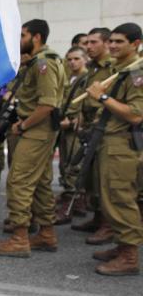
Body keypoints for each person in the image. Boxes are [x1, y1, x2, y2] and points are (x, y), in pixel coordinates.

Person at [0, 19, 65, 257]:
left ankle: (19, 238)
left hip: (36, 130)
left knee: (18, 181)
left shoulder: (44, 64)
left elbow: (47, 105)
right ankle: (47, 233)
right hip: (37, 130)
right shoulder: (36, 62)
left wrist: (22, 126)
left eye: (22, 36)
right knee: (40, 182)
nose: (18, 41)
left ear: (36, 37)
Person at [87, 23, 143, 276]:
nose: (112, 45)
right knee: (109, 198)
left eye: (119, 42)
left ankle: (129, 256)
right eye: (111, 41)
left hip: (122, 144)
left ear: (135, 44)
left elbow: (135, 115)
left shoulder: (136, 73)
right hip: (108, 141)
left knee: (120, 198)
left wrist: (102, 97)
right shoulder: (118, 70)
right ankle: (122, 246)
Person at [71, 27, 114, 243]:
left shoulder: (113, 68)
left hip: (103, 127)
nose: (88, 47)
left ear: (106, 43)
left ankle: (108, 225)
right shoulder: (93, 68)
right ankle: (97, 217)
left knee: (102, 178)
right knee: (89, 176)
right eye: (86, 43)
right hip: (88, 125)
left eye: (93, 42)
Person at [54, 46, 90, 224]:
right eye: (69, 59)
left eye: (76, 59)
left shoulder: (88, 78)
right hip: (65, 124)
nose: (72, 62)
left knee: (74, 165)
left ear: (85, 59)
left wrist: (76, 120)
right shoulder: (69, 77)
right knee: (65, 163)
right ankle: (73, 199)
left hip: (76, 127)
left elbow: (88, 104)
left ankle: (74, 203)